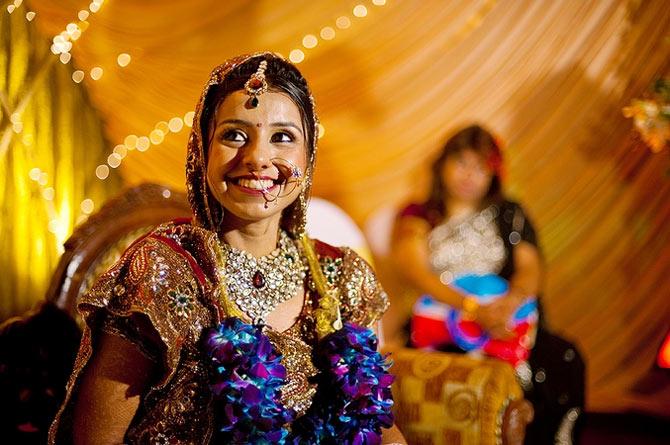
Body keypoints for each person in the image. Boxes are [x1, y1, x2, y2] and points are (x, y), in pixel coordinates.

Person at [49, 52, 406, 444]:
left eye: (282, 137)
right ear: (203, 149)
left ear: (308, 155)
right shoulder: (162, 271)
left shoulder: (342, 277)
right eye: (235, 135)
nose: (257, 159)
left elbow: (378, 427)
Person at [390, 124, 584, 444]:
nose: (469, 176)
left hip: (502, 320)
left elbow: (529, 268)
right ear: (443, 164)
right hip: (439, 326)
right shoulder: (420, 214)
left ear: (494, 175)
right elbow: (415, 270)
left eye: (481, 168)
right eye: (462, 163)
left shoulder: (509, 214)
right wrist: (469, 309)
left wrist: (510, 303)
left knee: (565, 357)